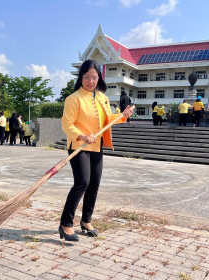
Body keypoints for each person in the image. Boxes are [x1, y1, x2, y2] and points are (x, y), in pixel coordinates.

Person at [60, 59, 133, 241]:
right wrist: (82, 135)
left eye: (94, 77)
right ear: (81, 78)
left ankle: (86, 221)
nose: (90, 81)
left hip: (97, 146)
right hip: (79, 146)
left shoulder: (103, 98)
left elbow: (108, 119)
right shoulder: (73, 99)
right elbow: (66, 124)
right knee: (82, 183)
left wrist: (122, 116)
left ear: (99, 78)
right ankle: (65, 224)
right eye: (86, 77)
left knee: (94, 184)